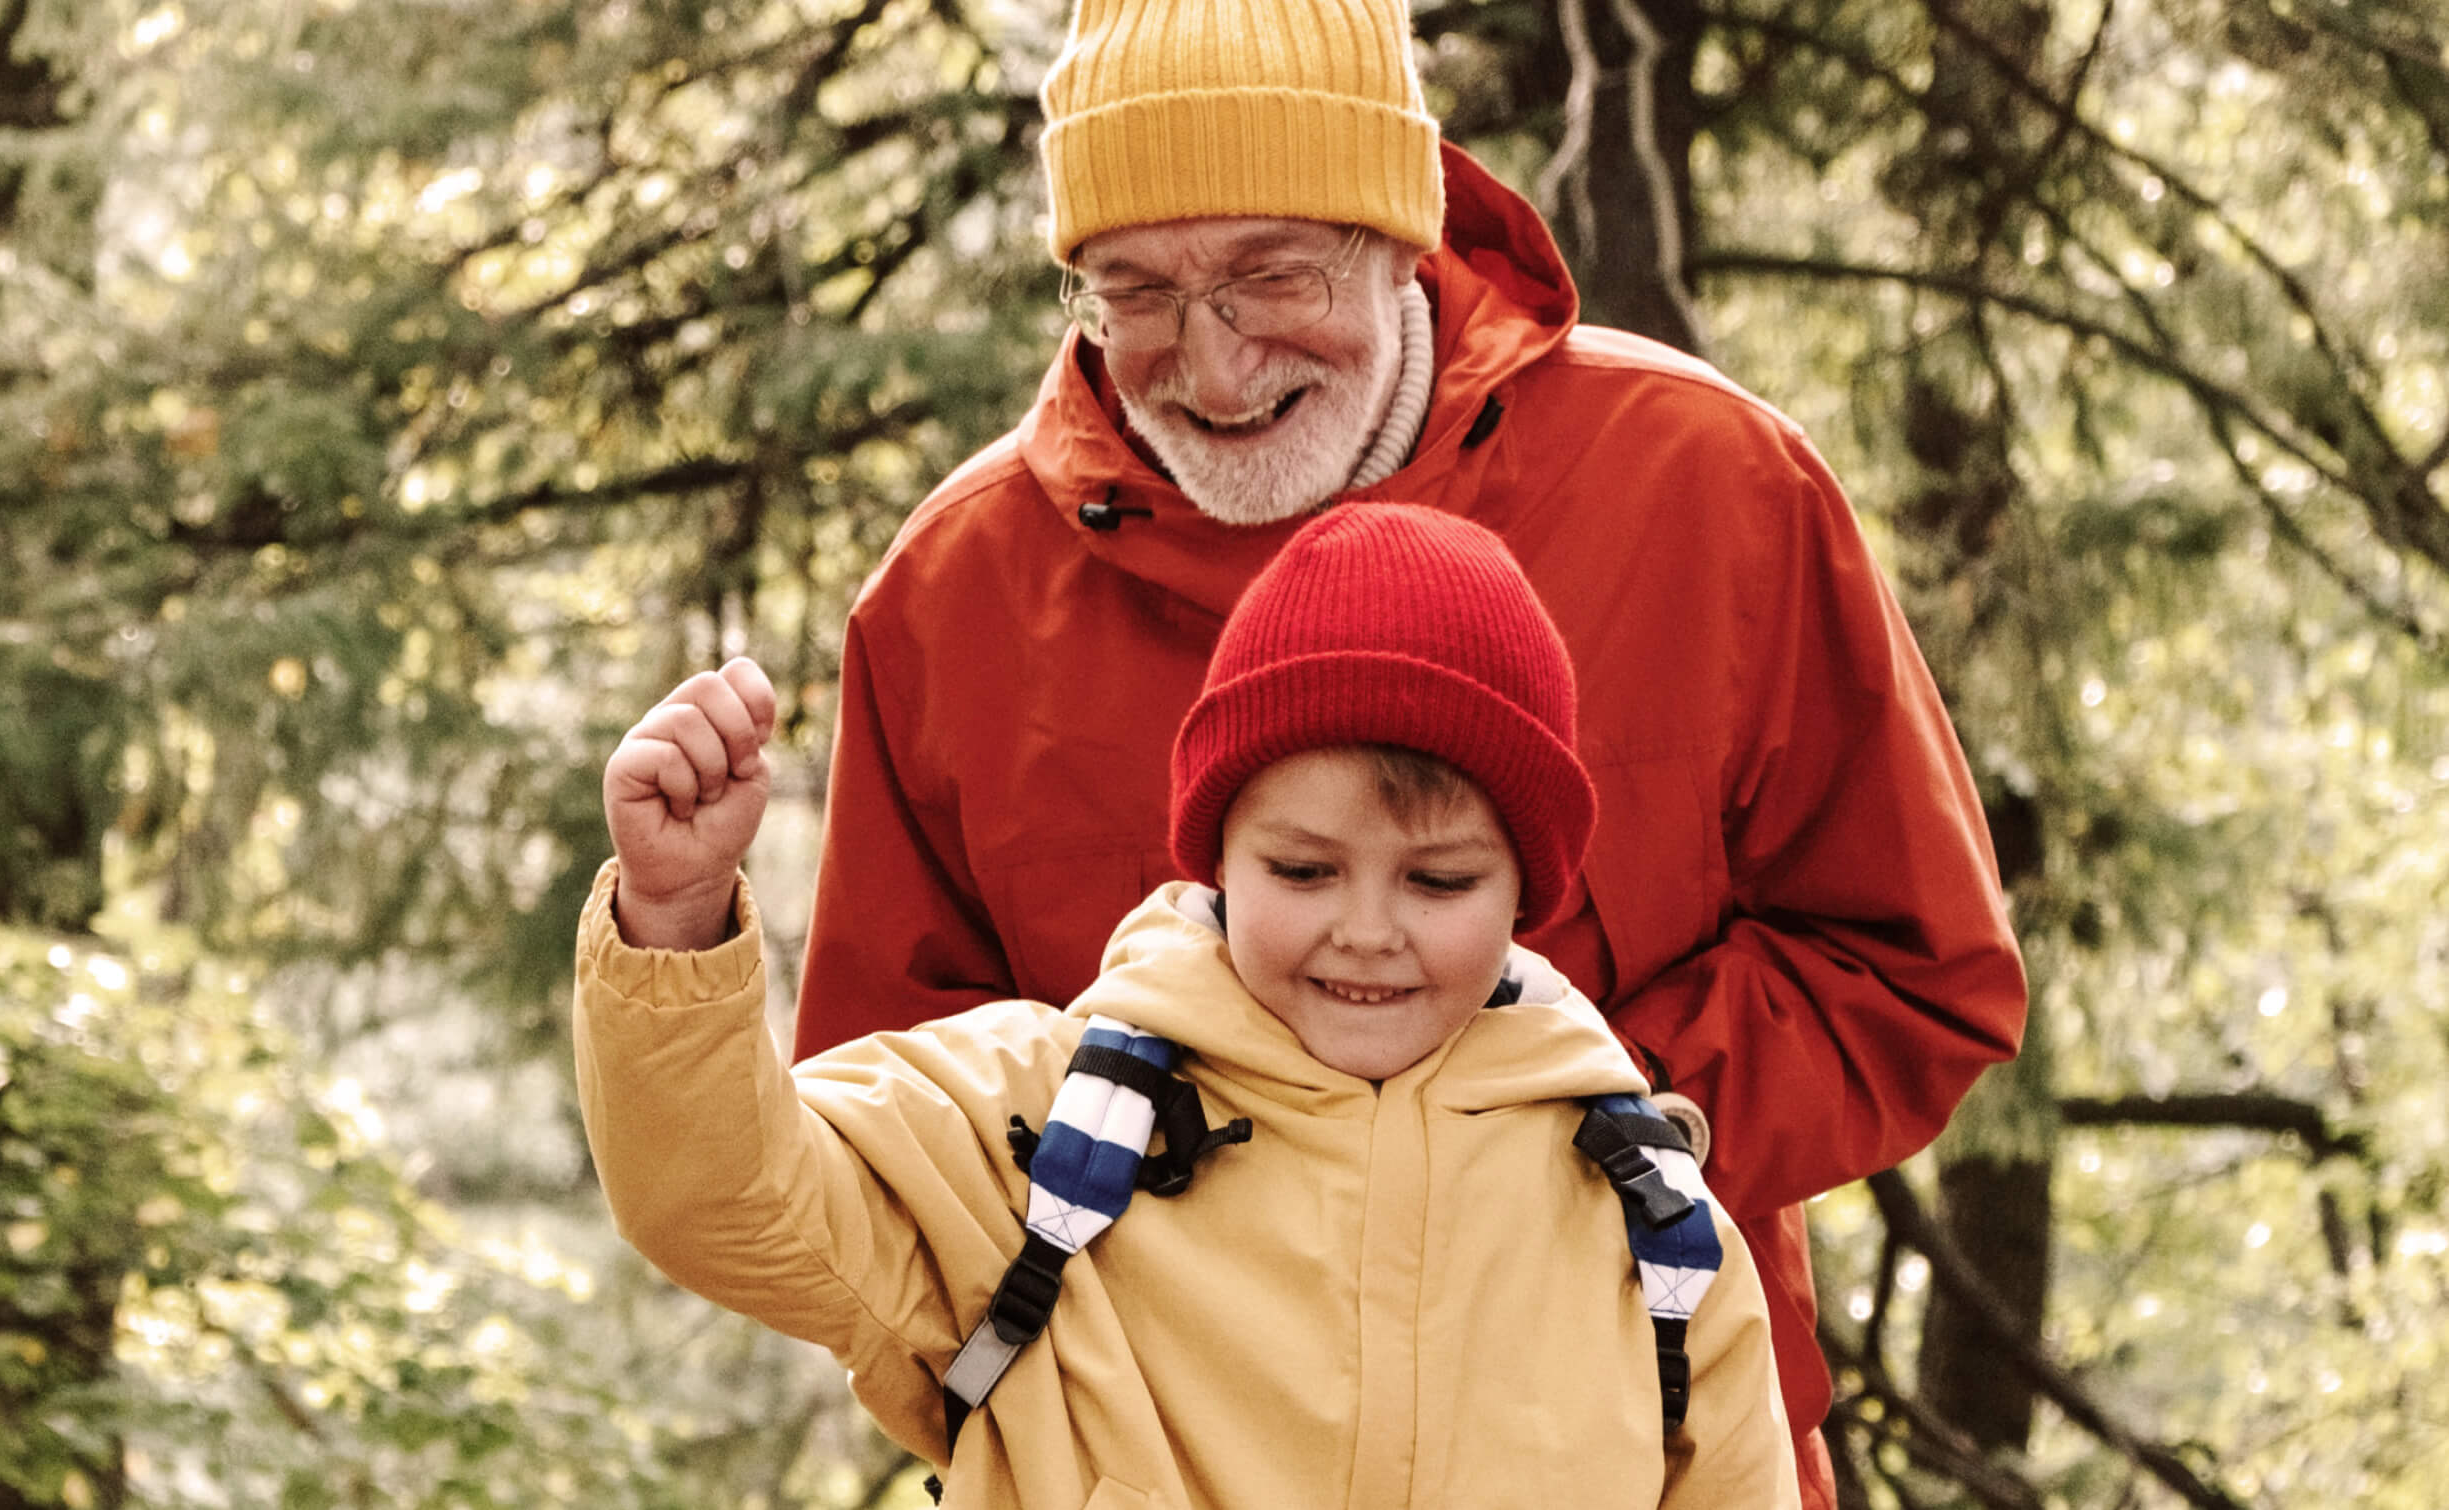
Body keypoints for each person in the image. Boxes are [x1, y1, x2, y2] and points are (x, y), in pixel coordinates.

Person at [790, 0, 2030, 1502]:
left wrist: (1574, 1133)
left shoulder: (1709, 490)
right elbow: (868, 1138)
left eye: (1271, 275)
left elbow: (1914, 971)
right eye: (1137, 291)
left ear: (1401, 227)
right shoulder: (953, 598)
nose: (1216, 365)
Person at [579, 505, 1797, 1508]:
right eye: (1302, 870)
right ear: (1215, 855)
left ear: (1529, 883)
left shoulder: (1649, 1230)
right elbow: (718, 1198)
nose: (1364, 930)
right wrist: (675, 916)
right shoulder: (1031, 1124)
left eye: (1437, 880)